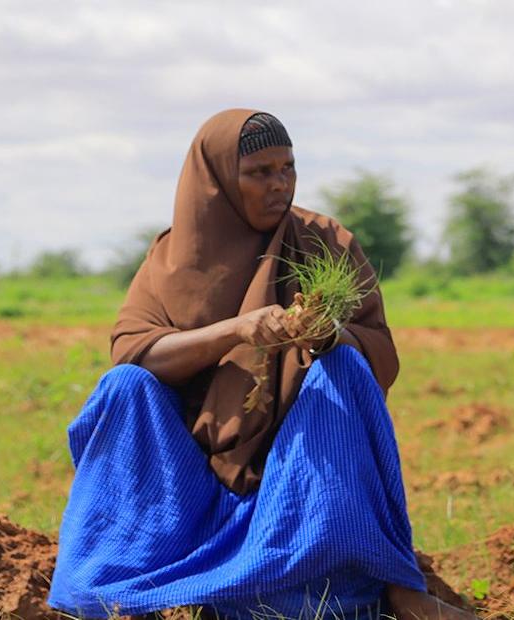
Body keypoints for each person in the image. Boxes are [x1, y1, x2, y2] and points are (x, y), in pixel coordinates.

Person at [48, 109, 473, 620]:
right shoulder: (170, 257)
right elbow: (134, 350)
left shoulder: (325, 241)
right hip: (189, 480)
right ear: (219, 181)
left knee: (344, 370)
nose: (280, 184)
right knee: (125, 386)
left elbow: (379, 349)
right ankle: (121, 579)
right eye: (260, 173)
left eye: (287, 168)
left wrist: (329, 337)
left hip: (290, 483)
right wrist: (236, 329)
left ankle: (388, 585)